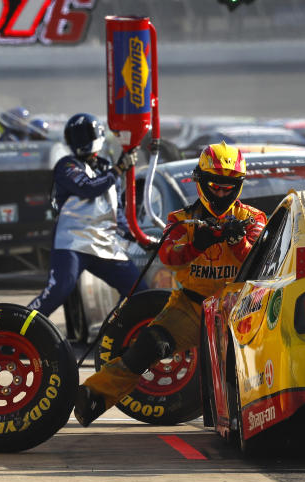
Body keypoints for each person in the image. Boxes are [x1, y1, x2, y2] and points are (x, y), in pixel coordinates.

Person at [73, 141, 267, 426]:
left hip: (238, 307)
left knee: (242, 369)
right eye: (216, 185)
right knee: (148, 346)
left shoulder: (253, 218)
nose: (222, 191)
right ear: (201, 181)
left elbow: (259, 262)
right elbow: (168, 256)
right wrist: (197, 243)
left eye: (229, 185)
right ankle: (94, 395)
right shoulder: (181, 220)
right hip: (190, 306)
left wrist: (237, 241)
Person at [28, 113, 144, 319]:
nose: (82, 139)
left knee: (139, 290)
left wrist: (135, 236)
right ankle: (15, 331)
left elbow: (116, 213)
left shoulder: (108, 168)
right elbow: (88, 188)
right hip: (72, 243)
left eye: (85, 134)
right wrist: (119, 169)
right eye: (77, 136)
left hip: (104, 243)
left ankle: (113, 331)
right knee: (58, 291)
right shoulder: (66, 166)